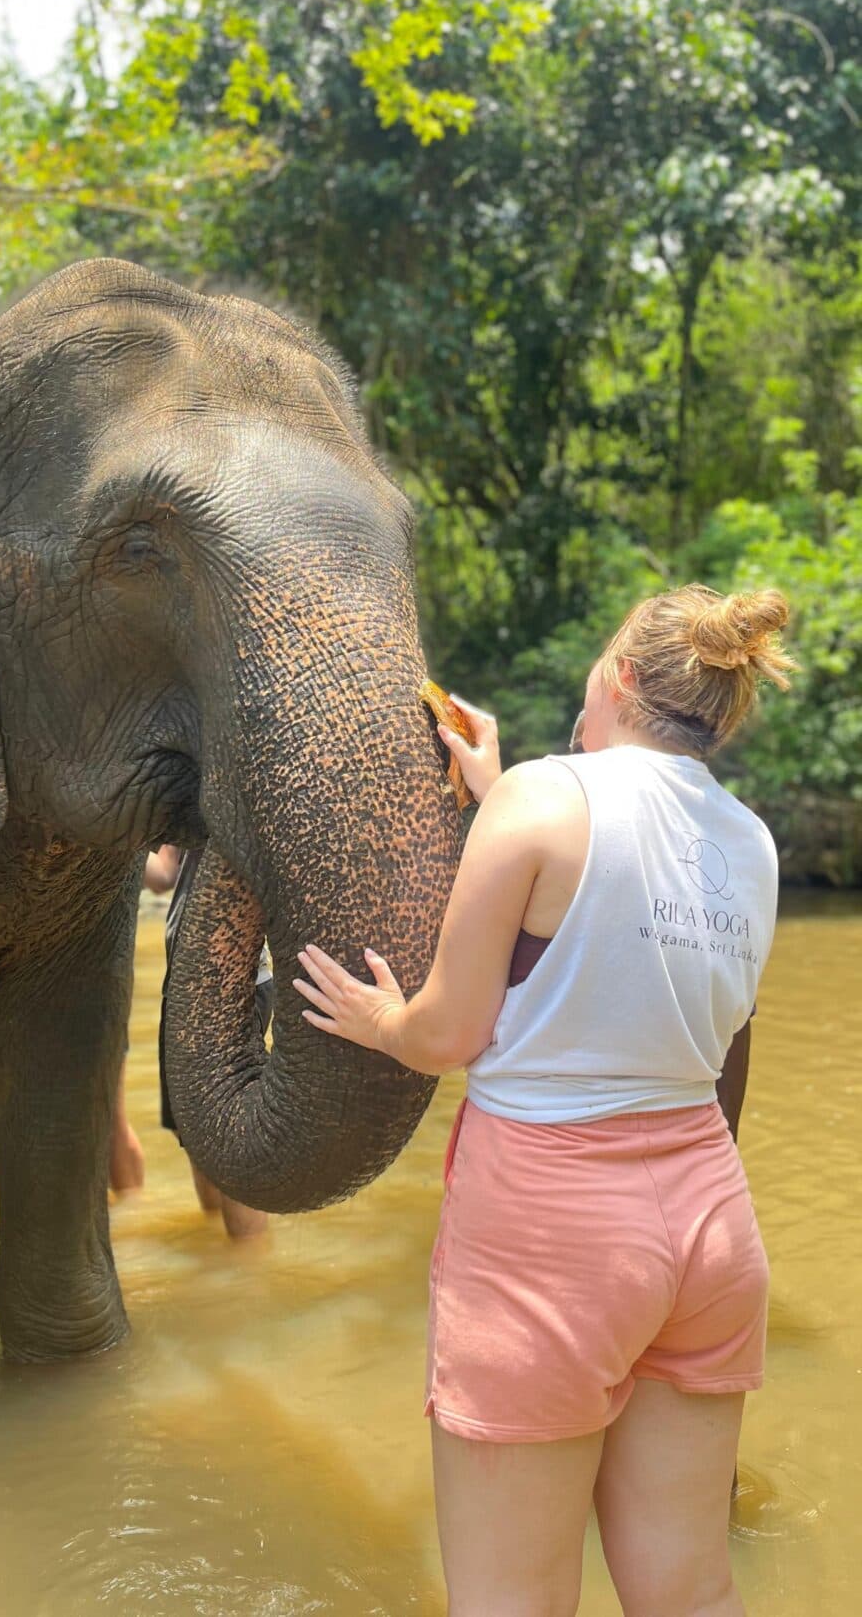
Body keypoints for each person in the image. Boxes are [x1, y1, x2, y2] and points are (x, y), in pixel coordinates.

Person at [295, 583, 794, 1617]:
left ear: (618, 676)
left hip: (552, 1236)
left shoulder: (541, 800)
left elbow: (446, 1035)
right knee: (691, 1590)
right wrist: (499, 791)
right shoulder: (750, 841)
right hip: (709, 1230)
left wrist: (378, 1018)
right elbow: (629, 907)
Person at [110, 843, 271, 1239]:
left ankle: (248, 1263)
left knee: (230, 1135)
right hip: (185, 981)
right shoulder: (188, 804)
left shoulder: (247, 804)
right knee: (196, 1134)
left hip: (233, 980)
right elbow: (163, 875)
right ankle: (220, 1252)